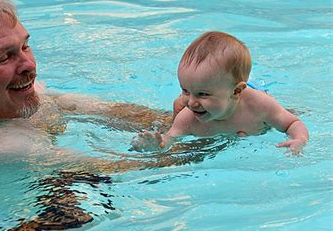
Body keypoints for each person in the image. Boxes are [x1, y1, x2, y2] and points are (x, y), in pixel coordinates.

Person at [0, 0, 176, 171]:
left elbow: (94, 108)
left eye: (25, 46)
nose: (29, 65)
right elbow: (116, 169)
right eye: (4, 57)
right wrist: (202, 148)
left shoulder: (5, 98)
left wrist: (184, 119)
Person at [131, 31, 309, 154]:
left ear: (237, 90)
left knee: (284, 112)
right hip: (225, 100)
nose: (192, 102)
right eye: (185, 90)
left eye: (203, 94)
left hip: (248, 98)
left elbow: (292, 123)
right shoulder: (188, 118)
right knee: (180, 107)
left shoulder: (260, 106)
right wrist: (159, 143)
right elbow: (171, 139)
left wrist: (299, 139)